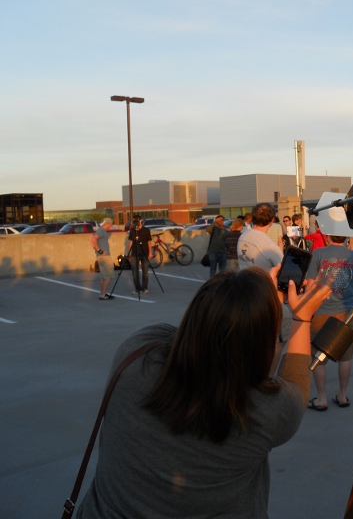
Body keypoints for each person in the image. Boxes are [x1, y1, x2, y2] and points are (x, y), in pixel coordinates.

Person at [74, 266, 332, 518]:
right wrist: (298, 318)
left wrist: (247, 298)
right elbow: (293, 382)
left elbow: (197, 335)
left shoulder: (136, 353)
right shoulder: (263, 412)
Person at [306, 235, 353, 410]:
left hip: (321, 311)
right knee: (346, 356)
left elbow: (310, 285)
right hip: (347, 312)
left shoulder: (317, 254)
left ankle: (321, 398)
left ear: (328, 235)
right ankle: (342, 395)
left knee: (318, 355)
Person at [238, 202, 290, 374]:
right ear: (272, 220)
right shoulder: (269, 246)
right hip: (266, 297)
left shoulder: (244, 236)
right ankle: (267, 376)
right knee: (278, 339)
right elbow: (286, 272)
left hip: (246, 292)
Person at [90, 217, 115, 300]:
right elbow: (93, 239)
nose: (110, 227)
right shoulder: (101, 230)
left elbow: (91, 239)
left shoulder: (100, 230)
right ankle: (103, 294)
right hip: (104, 256)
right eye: (110, 225)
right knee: (108, 275)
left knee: (104, 276)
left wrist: (97, 250)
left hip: (101, 256)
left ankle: (102, 293)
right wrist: (100, 251)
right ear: (107, 224)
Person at [127, 215, 151, 294]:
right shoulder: (132, 230)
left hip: (144, 252)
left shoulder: (146, 230)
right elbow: (130, 242)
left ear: (140, 221)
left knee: (145, 272)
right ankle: (138, 288)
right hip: (134, 253)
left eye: (136, 220)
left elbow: (149, 242)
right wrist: (128, 253)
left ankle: (144, 288)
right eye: (134, 221)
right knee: (135, 273)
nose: (135, 222)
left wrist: (150, 252)